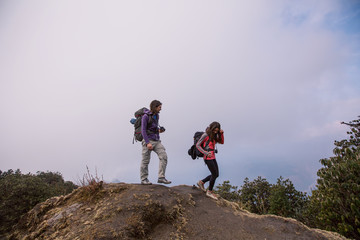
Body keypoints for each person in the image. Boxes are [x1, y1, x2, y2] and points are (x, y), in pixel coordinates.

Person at [140, 100, 171, 185]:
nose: (160, 109)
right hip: (148, 140)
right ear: (155, 107)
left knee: (164, 156)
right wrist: (147, 142)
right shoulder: (145, 116)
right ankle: (144, 179)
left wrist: (159, 130)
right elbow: (143, 130)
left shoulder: (156, 116)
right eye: (159, 107)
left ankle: (161, 177)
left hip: (156, 140)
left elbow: (153, 128)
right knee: (145, 160)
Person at [196, 121, 224, 200]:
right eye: (215, 130)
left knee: (216, 174)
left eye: (217, 130)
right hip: (207, 157)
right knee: (214, 174)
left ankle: (201, 182)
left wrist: (221, 134)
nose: (215, 131)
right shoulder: (206, 135)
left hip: (213, 156)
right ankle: (209, 192)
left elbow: (222, 142)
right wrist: (205, 153)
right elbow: (197, 145)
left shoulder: (214, 135)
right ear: (212, 128)